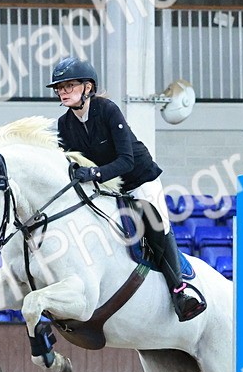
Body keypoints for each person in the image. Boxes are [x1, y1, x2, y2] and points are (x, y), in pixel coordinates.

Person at [46, 56, 206, 321]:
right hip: (109, 187)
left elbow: (126, 160)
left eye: (69, 85)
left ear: (87, 87)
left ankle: (180, 290)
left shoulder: (107, 110)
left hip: (139, 179)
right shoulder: (64, 125)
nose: (63, 91)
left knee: (156, 224)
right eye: (59, 88)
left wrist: (93, 173)